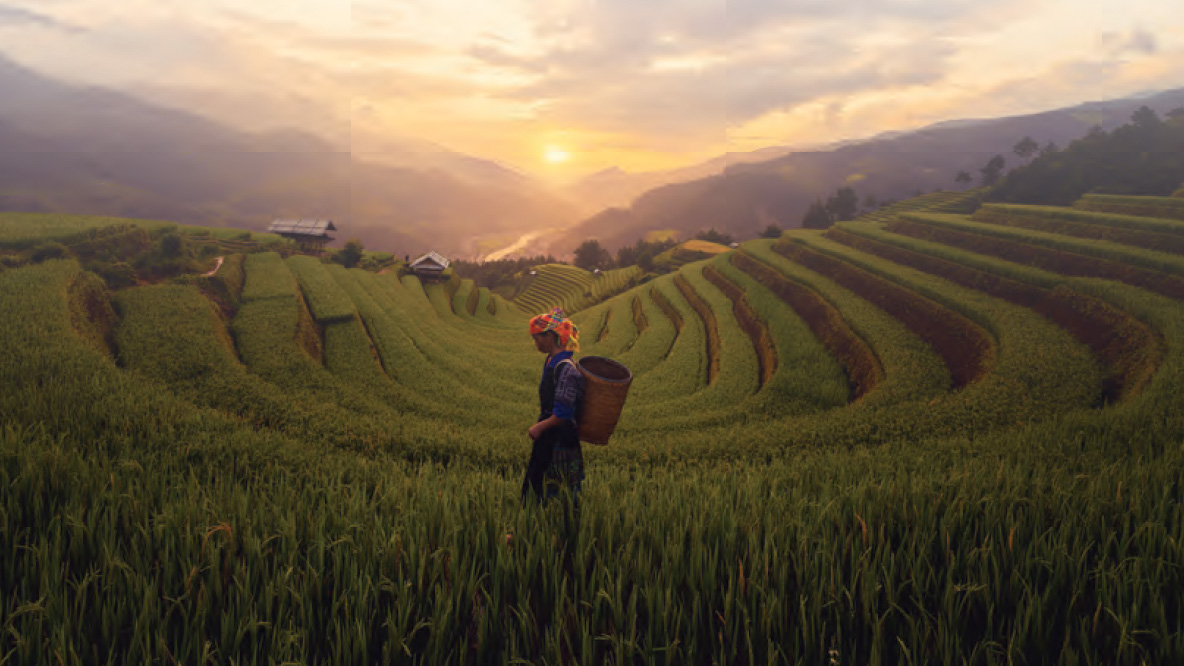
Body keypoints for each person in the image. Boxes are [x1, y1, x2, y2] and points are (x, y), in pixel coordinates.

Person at [522, 307, 586, 507]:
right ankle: (536, 527)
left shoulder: (566, 368)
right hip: (549, 435)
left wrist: (539, 427)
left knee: (561, 490)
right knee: (537, 483)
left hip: (560, 438)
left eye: (537, 338)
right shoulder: (550, 361)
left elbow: (564, 413)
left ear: (550, 336)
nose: (535, 343)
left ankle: (563, 532)